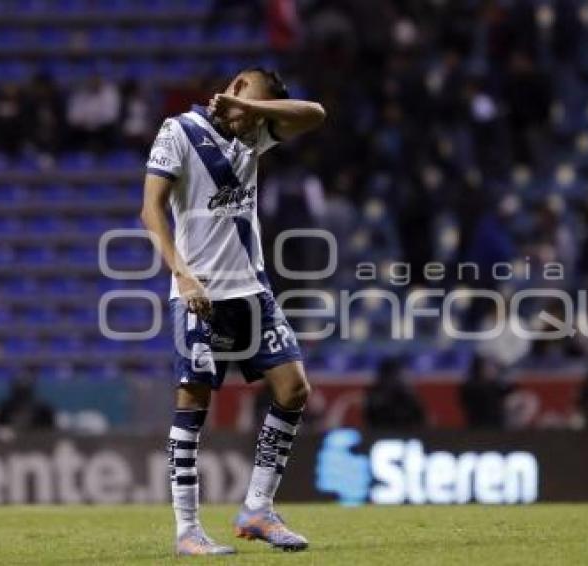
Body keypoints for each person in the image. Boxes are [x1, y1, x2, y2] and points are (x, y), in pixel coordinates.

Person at [139, 68, 325, 556]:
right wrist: (181, 272)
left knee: (294, 388)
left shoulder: (255, 130)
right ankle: (187, 531)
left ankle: (258, 508)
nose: (252, 123)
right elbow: (151, 209)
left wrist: (255, 112)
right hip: (199, 294)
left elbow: (315, 115)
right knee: (193, 403)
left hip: (252, 293)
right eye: (252, 105)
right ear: (238, 86)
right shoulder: (178, 131)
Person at [364, 357, 425, 429]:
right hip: (380, 433)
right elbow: (370, 420)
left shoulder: (408, 396)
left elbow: (420, 420)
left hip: (407, 434)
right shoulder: (374, 395)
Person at [459, 355, 511, 429]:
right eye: (488, 366)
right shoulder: (471, 387)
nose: (492, 370)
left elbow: (510, 393)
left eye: (494, 367)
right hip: (479, 426)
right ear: (479, 368)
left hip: (498, 427)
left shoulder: (498, 385)